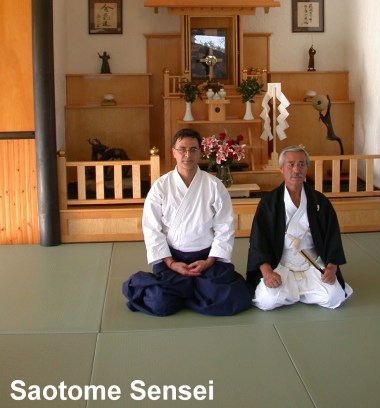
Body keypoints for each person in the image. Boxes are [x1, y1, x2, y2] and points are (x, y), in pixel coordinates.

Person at [123, 128, 252, 317]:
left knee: (234, 297)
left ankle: (183, 291)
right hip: (172, 259)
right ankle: (197, 290)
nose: (187, 155)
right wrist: (171, 263)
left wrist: (209, 261)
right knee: (159, 302)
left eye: (193, 149)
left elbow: (225, 227)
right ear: (173, 152)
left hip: (207, 259)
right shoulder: (160, 186)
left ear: (200, 152)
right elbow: (152, 229)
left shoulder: (214, 186)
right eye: (182, 149)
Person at [247, 145, 353, 310]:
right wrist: (267, 272)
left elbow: (332, 238)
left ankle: (294, 292)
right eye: (291, 164)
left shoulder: (320, 201)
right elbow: (258, 241)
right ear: (281, 168)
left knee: (333, 298)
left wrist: (332, 268)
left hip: (313, 264)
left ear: (306, 168)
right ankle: (300, 292)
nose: (296, 169)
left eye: (301, 164)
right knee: (267, 301)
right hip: (280, 264)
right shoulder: (269, 203)